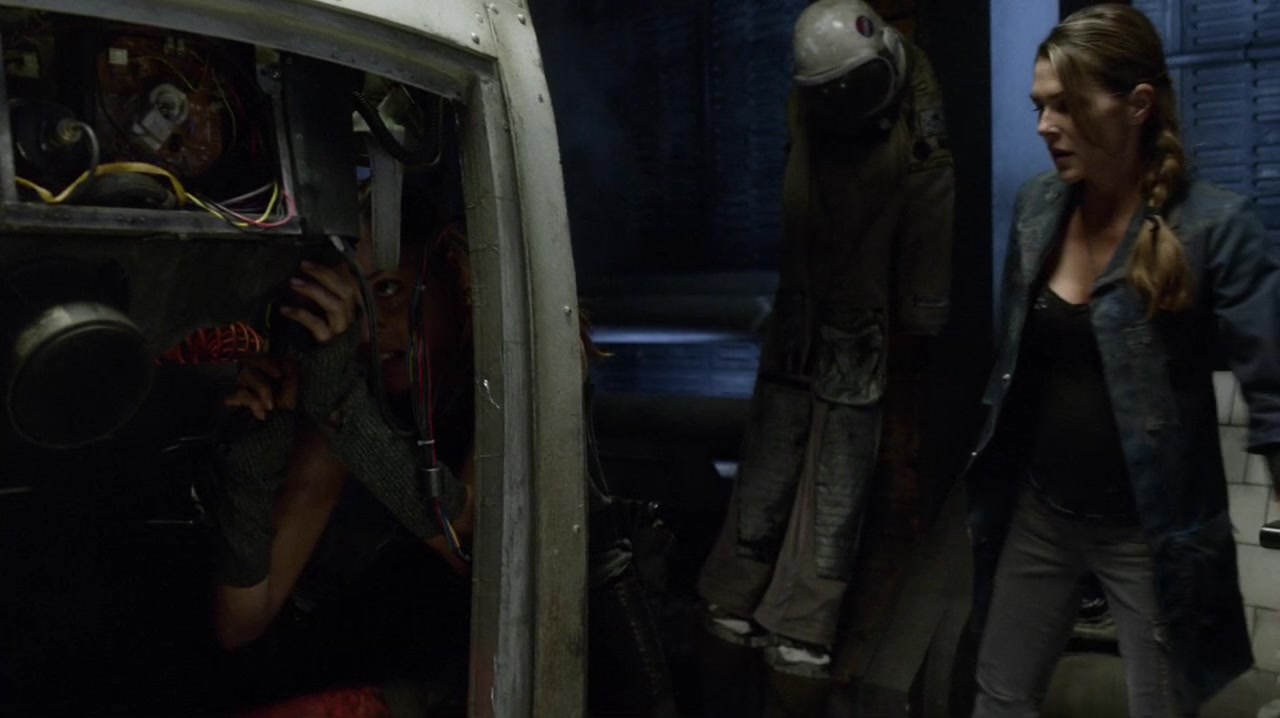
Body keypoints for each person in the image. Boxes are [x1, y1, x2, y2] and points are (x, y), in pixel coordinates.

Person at [207, 184, 675, 716]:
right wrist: (254, 458)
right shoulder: (345, 387)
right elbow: (243, 622)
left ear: (456, 279)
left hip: (543, 676)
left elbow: (474, 545)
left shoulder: (531, 358)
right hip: (415, 671)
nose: (368, 328)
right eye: (352, 305)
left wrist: (337, 402)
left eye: (387, 289)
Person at [965, 5, 1280, 716]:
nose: (1045, 126)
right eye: (1040, 106)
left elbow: (1274, 393)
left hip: (1150, 532)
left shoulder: (1214, 226)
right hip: (1040, 510)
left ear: (1137, 104)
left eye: (1067, 106)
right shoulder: (1038, 207)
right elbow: (1015, 367)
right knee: (998, 700)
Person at [696, 0, 953, 683]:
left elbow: (930, 195)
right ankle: (740, 593)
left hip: (856, 309)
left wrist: (922, 311)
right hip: (803, 301)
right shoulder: (814, 101)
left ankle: (803, 619)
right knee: (773, 453)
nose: (844, 102)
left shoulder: (911, 91)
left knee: (837, 473)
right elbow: (803, 188)